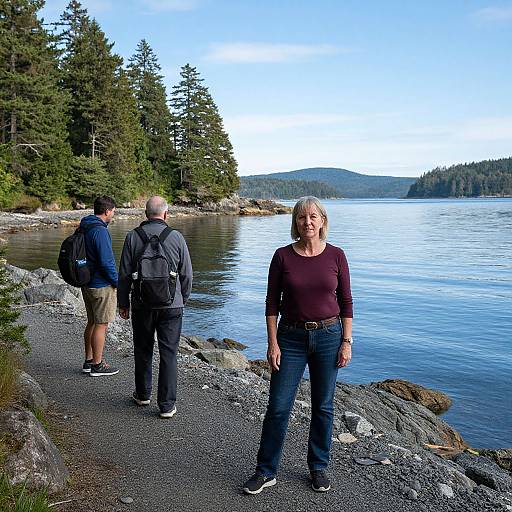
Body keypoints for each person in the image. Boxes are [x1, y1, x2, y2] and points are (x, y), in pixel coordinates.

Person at [243, 196, 353, 495]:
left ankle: (318, 467)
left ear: (322, 221)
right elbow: (271, 303)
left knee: (323, 407)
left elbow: (345, 302)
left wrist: (346, 341)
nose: (308, 222)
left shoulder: (337, 256)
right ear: (295, 222)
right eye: (302, 217)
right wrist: (272, 342)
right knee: (278, 407)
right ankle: (266, 471)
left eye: (313, 217)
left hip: (329, 337)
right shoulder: (282, 256)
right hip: (289, 338)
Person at [118, 196, 193, 419]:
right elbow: (186, 274)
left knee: (143, 350)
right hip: (172, 305)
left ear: (145, 214)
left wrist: (123, 303)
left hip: (141, 304)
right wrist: (182, 299)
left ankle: (142, 394)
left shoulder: (133, 237)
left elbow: (123, 274)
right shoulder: (176, 237)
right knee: (169, 354)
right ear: (166, 214)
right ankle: (167, 405)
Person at [80, 196, 119, 377]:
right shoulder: (100, 231)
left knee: (92, 322)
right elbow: (106, 262)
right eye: (113, 211)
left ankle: (88, 361)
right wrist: (117, 282)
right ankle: (97, 364)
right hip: (101, 285)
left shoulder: (84, 226)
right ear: (107, 211)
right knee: (101, 324)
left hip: (86, 282)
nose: (113, 215)